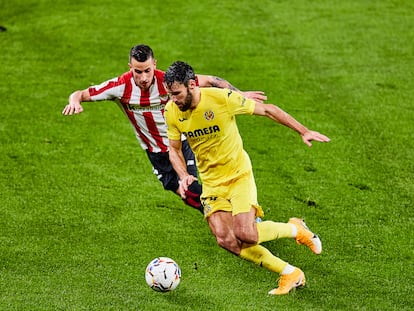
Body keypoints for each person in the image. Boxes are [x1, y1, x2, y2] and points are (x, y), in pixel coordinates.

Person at [164, 61, 330, 295]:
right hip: (212, 183)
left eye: (177, 94)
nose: (174, 100)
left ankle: (296, 229)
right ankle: (290, 273)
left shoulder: (221, 99)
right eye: (170, 95)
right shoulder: (172, 111)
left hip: (238, 175)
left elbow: (268, 110)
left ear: (192, 85)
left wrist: (303, 131)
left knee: (246, 234)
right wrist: (183, 176)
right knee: (226, 240)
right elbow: (173, 148)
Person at [62, 44, 266, 214]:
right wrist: (75, 102)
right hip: (155, 153)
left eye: (147, 70)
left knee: (194, 188)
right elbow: (81, 93)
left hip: (181, 143)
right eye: (137, 71)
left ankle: (242, 216)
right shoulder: (120, 87)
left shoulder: (168, 83)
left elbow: (212, 80)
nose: (143, 77)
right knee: (188, 196)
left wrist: (241, 94)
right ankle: (231, 216)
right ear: (130, 67)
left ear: (154, 65)